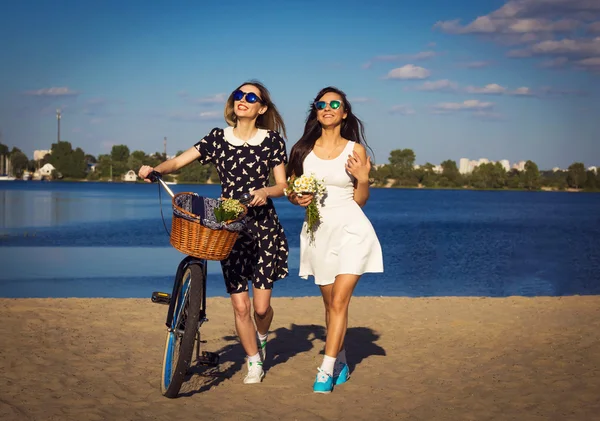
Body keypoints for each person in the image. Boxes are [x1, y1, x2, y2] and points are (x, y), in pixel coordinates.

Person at [138, 80, 289, 384]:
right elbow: (179, 160)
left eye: (250, 97)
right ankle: (254, 362)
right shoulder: (218, 138)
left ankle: (262, 336)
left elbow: (283, 186)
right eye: (238, 95)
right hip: (227, 224)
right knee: (240, 304)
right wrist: (155, 169)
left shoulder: (272, 141)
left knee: (261, 308)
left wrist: (266, 191)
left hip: (262, 227)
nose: (242, 100)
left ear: (261, 108)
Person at [286, 86, 383, 393]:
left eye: (334, 104)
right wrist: (296, 198)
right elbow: (290, 190)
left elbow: (361, 199)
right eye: (321, 104)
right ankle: (340, 358)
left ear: (344, 112)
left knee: (340, 301)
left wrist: (364, 179)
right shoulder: (302, 151)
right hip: (318, 233)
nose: (327, 108)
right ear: (316, 111)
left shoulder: (356, 150)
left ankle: (325, 371)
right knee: (329, 305)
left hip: (352, 229)